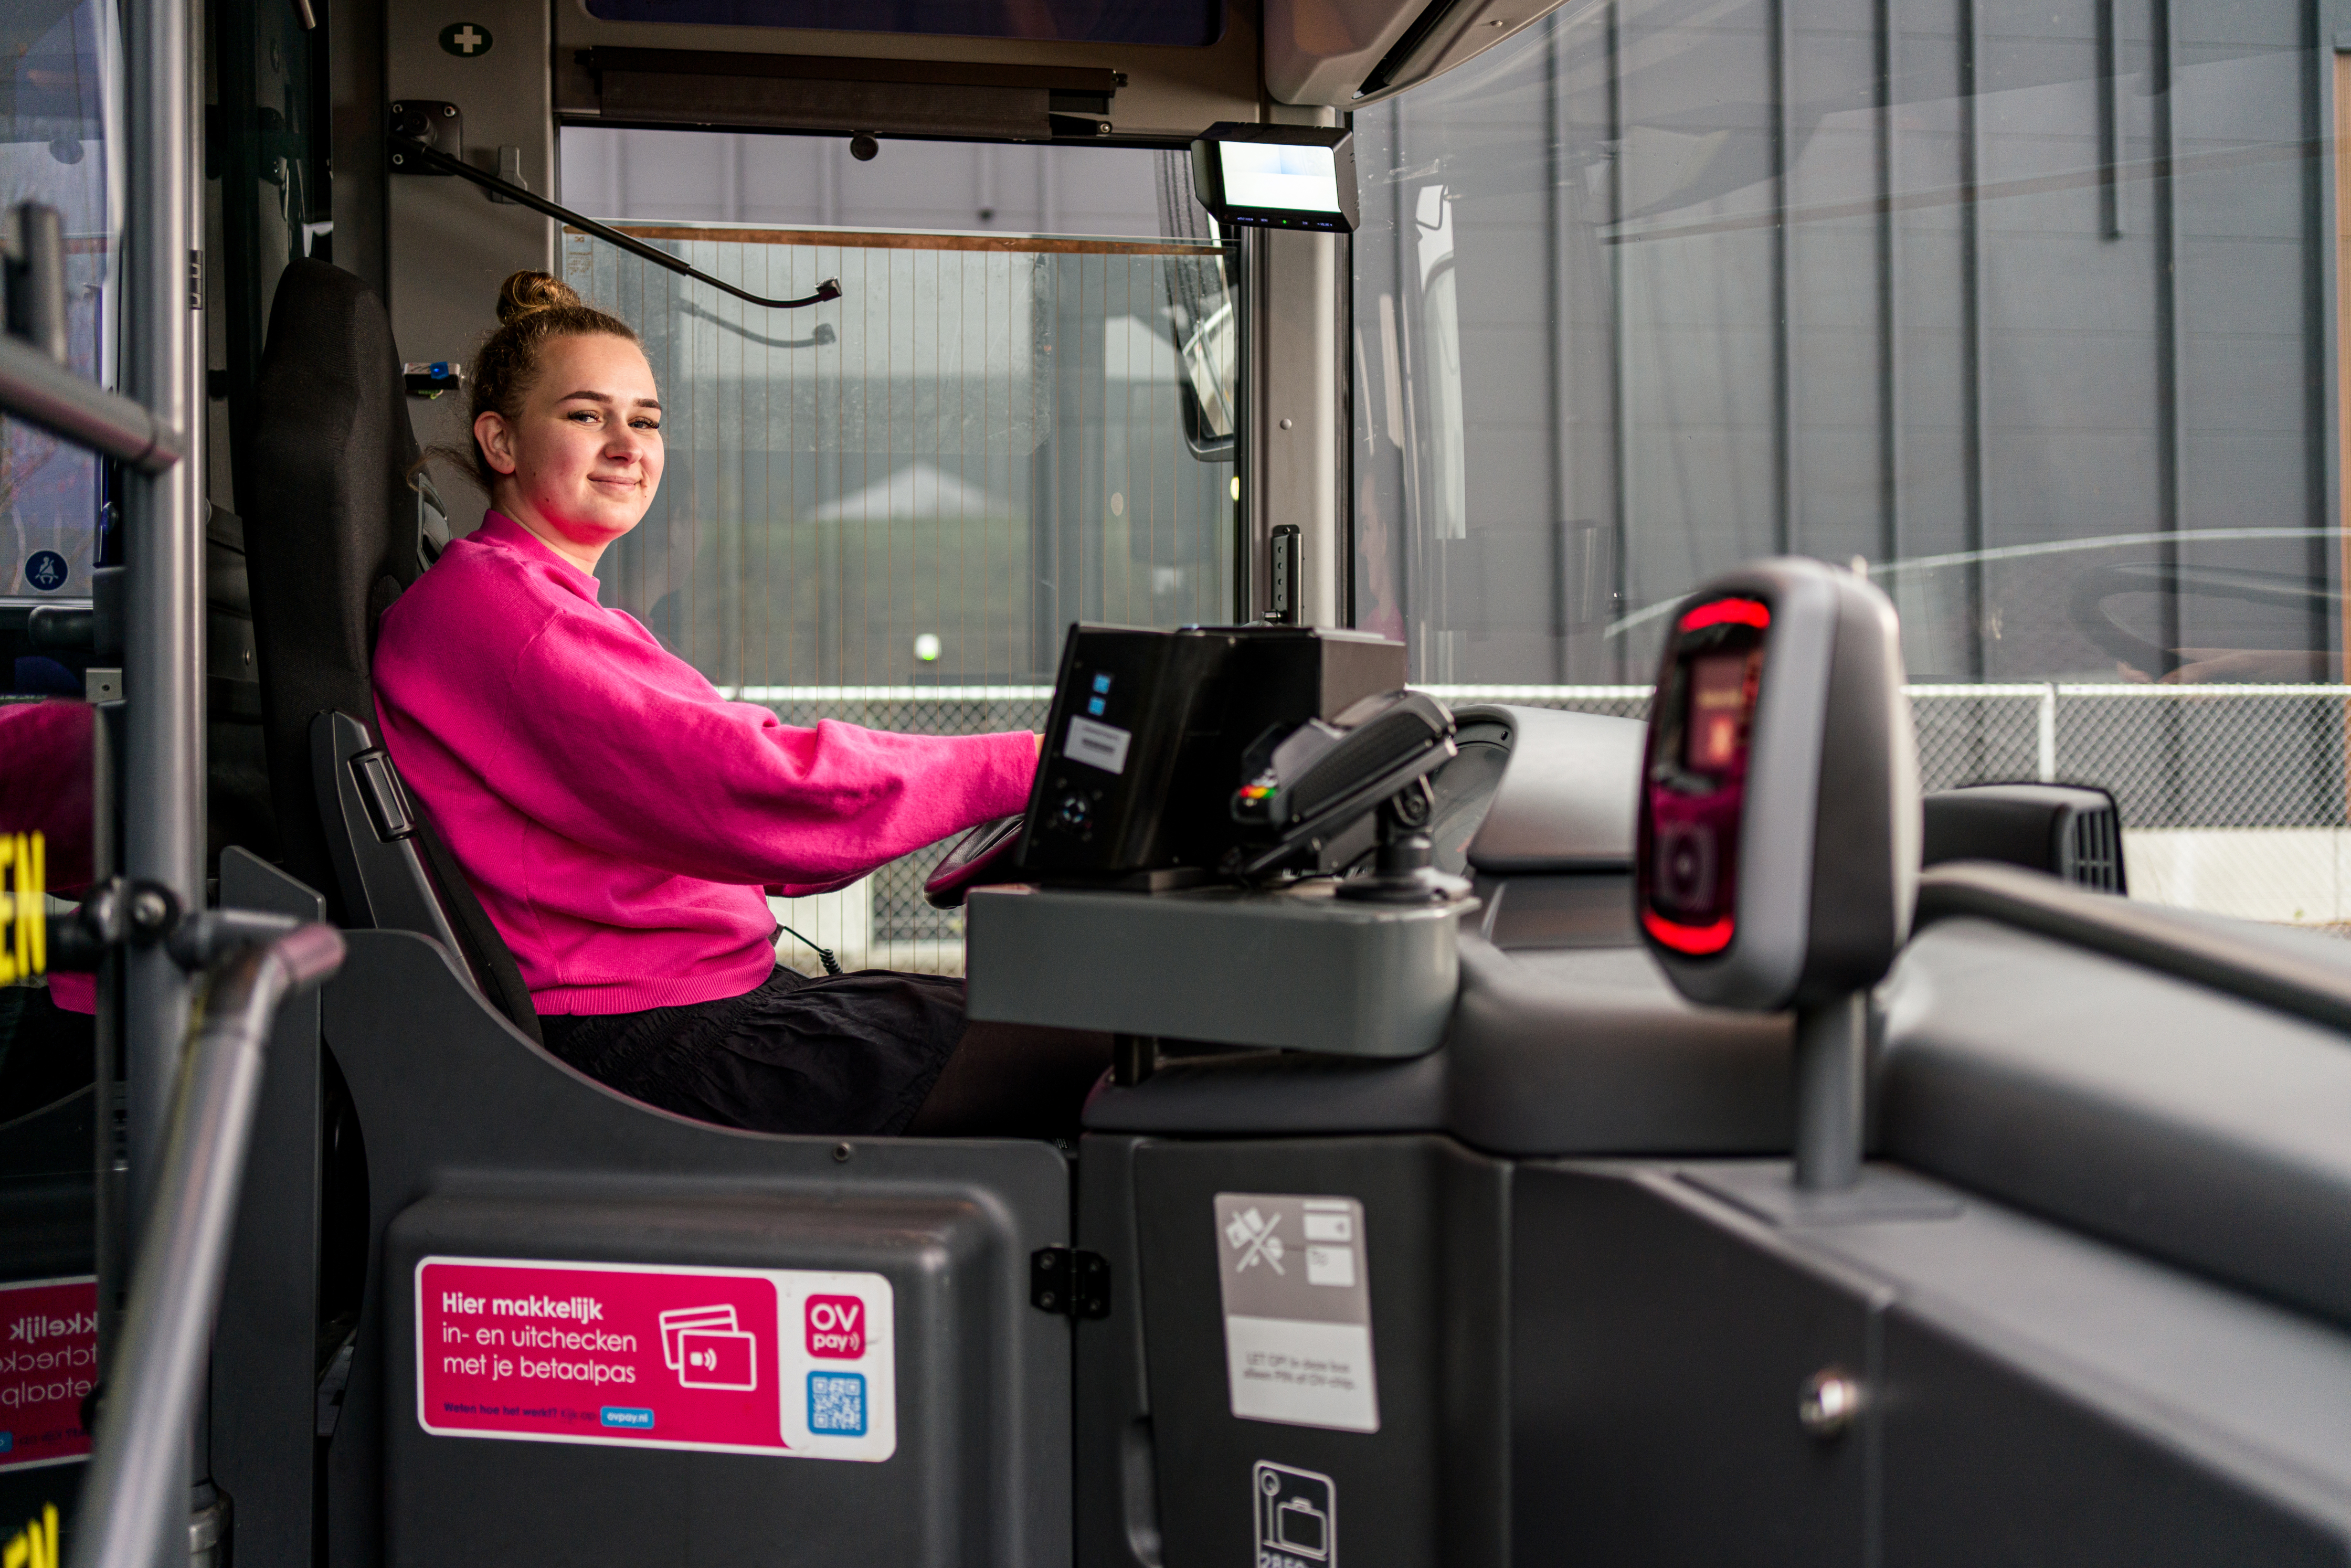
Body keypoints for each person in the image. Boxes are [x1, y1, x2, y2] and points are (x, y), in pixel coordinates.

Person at [374, 271, 1105, 1138]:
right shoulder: (509, 615)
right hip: (649, 1037)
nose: (626, 444)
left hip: (701, 1000)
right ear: (499, 441)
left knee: (1044, 1030)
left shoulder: (551, 606)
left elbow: (773, 839)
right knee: (1113, 1055)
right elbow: (755, 789)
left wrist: (949, 796)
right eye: (585, 415)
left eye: (645, 420)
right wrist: (1031, 761)